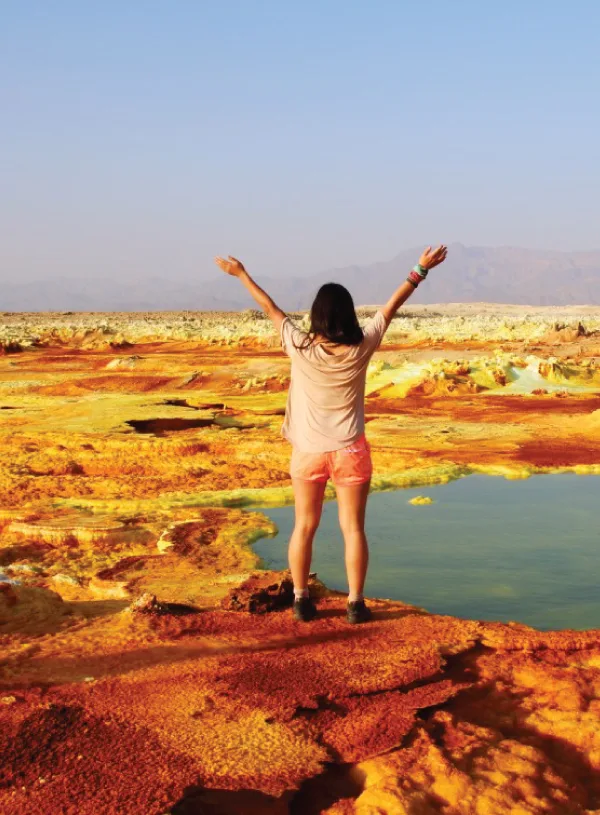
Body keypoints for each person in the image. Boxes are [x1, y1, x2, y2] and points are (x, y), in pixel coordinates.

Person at [214, 246, 448, 623]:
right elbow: (392, 305)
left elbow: (271, 309)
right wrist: (420, 268)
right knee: (353, 528)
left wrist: (241, 274)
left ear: (316, 315)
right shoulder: (362, 347)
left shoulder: (299, 346)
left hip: (307, 451)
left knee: (304, 526)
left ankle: (301, 599)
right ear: (349, 314)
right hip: (350, 451)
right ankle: (355, 604)